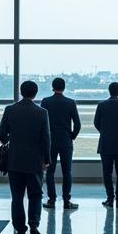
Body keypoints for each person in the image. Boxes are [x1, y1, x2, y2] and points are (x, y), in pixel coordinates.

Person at [0, 80, 51, 234]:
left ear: (21, 92)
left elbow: (1, 134)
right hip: (35, 161)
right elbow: (46, 139)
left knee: (17, 197)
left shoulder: (10, 110)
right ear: (35, 93)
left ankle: (20, 230)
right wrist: (46, 159)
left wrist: (11, 140)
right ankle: (34, 225)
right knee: (35, 194)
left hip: (15, 160)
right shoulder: (42, 112)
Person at [41, 77, 81, 210]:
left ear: (52, 87)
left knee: (50, 171)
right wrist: (72, 136)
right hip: (65, 140)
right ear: (64, 88)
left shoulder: (45, 102)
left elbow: (42, 123)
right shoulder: (70, 102)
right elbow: (77, 124)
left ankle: (51, 200)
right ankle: (66, 201)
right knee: (67, 172)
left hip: (49, 141)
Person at [94, 82, 118, 208]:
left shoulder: (102, 105)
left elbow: (96, 123)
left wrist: (104, 132)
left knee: (107, 173)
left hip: (106, 143)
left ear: (109, 91)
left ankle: (110, 198)